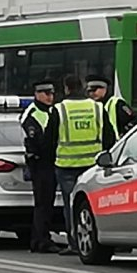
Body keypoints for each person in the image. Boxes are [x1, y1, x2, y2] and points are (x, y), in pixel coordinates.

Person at [54, 74, 117, 255]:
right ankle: (97, 240)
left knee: (71, 205)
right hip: (93, 165)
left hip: (66, 165)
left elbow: (50, 139)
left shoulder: (60, 109)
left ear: (66, 88)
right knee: (96, 204)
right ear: (82, 87)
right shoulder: (97, 108)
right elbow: (109, 136)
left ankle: (75, 243)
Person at [20, 80, 61, 253]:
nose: (50, 97)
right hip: (41, 163)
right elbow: (35, 140)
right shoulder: (32, 114)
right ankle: (41, 240)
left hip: (51, 162)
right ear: (37, 94)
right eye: (46, 94)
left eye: (51, 94)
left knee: (46, 203)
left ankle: (38, 239)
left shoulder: (51, 111)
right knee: (43, 203)